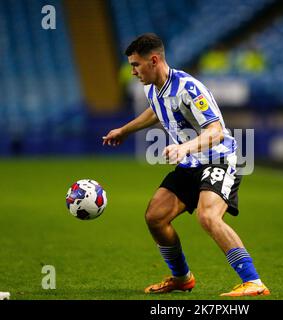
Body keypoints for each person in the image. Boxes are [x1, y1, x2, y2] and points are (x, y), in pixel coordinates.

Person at [102, 33, 269, 297]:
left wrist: (184, 147)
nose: (132, 71)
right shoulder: (152, 88)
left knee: (208, 215)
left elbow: (216, 131)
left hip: (219, 159)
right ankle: (182, 278)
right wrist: (124, 130)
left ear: (154, 60)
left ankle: (253, 282)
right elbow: (157, 110)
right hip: (191, 163)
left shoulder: (189, 88)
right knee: (155, 217)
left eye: (136, 65)